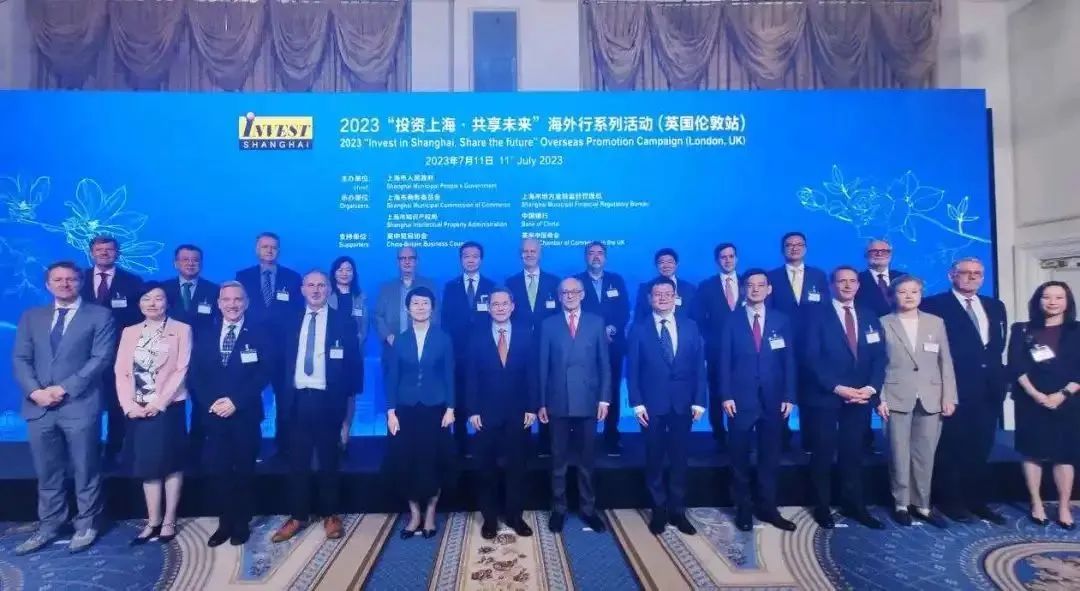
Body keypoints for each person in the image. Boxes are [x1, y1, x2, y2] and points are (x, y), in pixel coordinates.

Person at [12, 261, 115, 555]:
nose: (65, 284)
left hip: (80, 404)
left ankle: (87, 524)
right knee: (47, 471)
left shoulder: (100, 315)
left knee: (86, 468)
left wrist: (64, 388)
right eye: (58, 280)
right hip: (39, 406)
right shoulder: (31, 316)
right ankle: (49, 525)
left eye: (71, 279)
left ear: (81, 282)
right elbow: (20, 358)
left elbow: (100, 358)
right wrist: (35, 392)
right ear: (48, 285)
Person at [270, 270, 363, 543]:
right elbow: (278, 361)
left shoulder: (343, 320)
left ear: (328, 290)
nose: (315, 290)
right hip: (296, 399)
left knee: (329, 460)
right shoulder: (289, 320)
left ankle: (330, 515)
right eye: (310, 285)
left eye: (321, 285)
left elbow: (354, 365)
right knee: (297, 461)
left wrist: (348, 411)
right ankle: (298, 515)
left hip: (328, 400)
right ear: (302, 289)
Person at [921, 257, 1008, 524]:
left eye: (977, 273)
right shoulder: (934, 305)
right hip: (954, 388)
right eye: (966, 273)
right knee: (951, 447)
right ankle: (951, 502)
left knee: (981, 447)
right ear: (952, 275)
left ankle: (976, 501)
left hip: (989, 389)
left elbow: (997, 346)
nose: (971, 277)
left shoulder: (995, 306)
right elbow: (929, 350)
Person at [188, 281, 273, 547]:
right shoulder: (205, 333)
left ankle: (241, 523)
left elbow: (264, 373)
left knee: (244, 471)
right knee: (219, 471)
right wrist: (211, 403)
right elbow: (195, 374)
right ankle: (224, 522)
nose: (232, 305)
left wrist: (236, 401)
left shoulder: (260, 333)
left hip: (245, 414)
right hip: (213, 415)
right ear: (219, 303)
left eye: (237, 299)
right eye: (226, 300)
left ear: (246, 302)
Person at [801, 266, 886, 530]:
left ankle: (854, 505)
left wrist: (871, 389)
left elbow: (879, 356)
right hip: (825, 396)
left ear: (858, 285)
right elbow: (810, 358)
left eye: (852, 281)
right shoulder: (815, 315)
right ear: (832, 285)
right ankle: (822, 507)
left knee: (853, 454)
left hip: (860, 398)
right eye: (841, 281)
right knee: (823, 454)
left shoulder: (869, 315)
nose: (847, 285)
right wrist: (837, 387)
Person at [717, 269, 796, 532]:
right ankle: (743, 508)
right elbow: (724, 360)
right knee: (738, 457)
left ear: (769, 289)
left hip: (773, 398)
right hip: (740, 399)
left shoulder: (781, 320)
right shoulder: (731, 320)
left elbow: (789, 360)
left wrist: (789, 395)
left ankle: (768, 507)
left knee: (770, 457)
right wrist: (726, 394)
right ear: (743, 289)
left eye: (761, 285)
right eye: (750, 285)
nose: (755, 289)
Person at [626, 277, 706, 536]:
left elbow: (699, 367)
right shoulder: (638, 329)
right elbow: (632, 370)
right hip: (651, 406)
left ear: (675, 298)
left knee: (680, 460)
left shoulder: (690, 326)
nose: (662, 298)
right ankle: (659, 510)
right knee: (654, 459)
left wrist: (700, 400)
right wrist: (637, 404)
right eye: (657, 294)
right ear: (650, 298)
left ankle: (678, 511)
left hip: (683, 404)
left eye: (667, 294)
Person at [115, 282, 192, 545]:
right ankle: (153, 520)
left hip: (168, 408)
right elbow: (121, 371)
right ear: (139, 303)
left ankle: (169, 519)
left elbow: (181, 369)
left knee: (170, 464)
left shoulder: (181, 329)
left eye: (158, 298)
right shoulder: (130, 331)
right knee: (147, 466)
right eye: (146, 299)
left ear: (167, 302)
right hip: (138, 409)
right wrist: (129, 406)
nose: (152, 303)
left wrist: (159, 403)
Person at [876, 276, 955, 528]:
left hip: (932, 396)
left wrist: (949, 396)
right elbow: (877, 364)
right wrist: (880, 397)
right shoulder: (883, 323)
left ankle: (922, 504)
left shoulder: (936, 322)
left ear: (921, 294)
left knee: (925, 454)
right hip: (896, 395)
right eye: (903, 292)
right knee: (898, 453)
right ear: (892, 295)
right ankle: (901, 503)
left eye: (914, 291)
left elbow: (945, 361)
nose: (909, 296)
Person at [383, 287, 457, 539]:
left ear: (432, 308)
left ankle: (430, 513)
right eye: (415, 303)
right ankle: (414, 514)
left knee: (433, 461)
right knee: (407, 460)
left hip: (436, 408)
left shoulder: (443, 338)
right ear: (408, 308)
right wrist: (391, 411)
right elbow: (392, 376)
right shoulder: (400, 340)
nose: (420, 307)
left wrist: (451, 408)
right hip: (406, 409)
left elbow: (449, 374)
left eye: (425, 303)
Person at [539, 277, 611, 534]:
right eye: (565, 292)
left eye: (574, 291)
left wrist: (604, 398)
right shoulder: (548, 324)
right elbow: (542, 366)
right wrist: (541, 402)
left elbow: (604, 364)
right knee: (558, 460)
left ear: (582, 294)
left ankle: (588, 509)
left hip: (588, 401)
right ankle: (558, 509)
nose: (569, 295)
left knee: (586, 460)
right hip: (557, 400)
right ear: (559, 296)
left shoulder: (596, 322)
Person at [465, 288, 537, 539]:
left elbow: (533, 373)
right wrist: (472, 410)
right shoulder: (476, 336)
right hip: (485, 413)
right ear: (489, 308)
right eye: (495, 304)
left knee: (517, 468)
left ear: (512, 306)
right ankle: (490, 519)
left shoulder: (526, 334)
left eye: (504, 303)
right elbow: (471, 376)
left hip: (519, 412)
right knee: (487, 469)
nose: (500, 308)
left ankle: (515, 516)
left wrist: (532, 407)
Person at [1007, 281, 1080, 529]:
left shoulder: (1077, 330)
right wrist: (1036, 395)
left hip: (1068, 400)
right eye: (1047, 297)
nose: (1052, 302)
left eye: (1059, 297)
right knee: (1033, 452)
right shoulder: (1022, 329)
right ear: (1038, 301)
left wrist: (1063, 394)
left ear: (1067, 302)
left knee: (1064, 455)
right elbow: (1016, 365)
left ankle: (1063, 506)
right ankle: (1036, 502)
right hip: (1030, 400)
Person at [235, 232, 303, 456]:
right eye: (265, 247)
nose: (269, 250)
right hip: (251, 349)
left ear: (279, 250)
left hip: (284, 351)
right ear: (257, 250)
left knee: (285, 401)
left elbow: (298, 314)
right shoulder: (243, 277)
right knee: (249, 398)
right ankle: (249, 447)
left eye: (273, 247)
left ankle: (284, 448)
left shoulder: (292, 278)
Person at [79, 236, 144, 464]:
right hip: (83, 354)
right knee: (87, 404)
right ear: (91, 253)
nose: (104, 253)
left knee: (118, 403)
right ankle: (87, 451)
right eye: (100, 249)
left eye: (109, 249)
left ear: (117, 253)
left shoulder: (133, 281)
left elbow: (139, 319)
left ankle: (115, 451)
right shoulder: (78, 279)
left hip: (120, 353)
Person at [768, 232, 827, 452]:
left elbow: (825, 310)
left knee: (810, 394)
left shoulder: (818, 275)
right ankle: (781, 439)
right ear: (782, 249)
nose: (794, 248)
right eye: (789, 245)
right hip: (781, 344)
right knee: (780, 391)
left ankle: (809, 440)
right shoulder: (772, 276)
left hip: (812, 344)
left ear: (806, 248)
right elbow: (768, 312)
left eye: (799, 244)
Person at [162, 244, 219, 462]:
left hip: (201, 358)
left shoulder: (214, 290)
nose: (190, 263)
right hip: (169, 357)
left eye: (195, 260)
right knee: (170, 402)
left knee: (201, 403)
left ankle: (196, 451)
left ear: (201, 264)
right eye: (185, 259)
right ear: (175, 263)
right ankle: (171, 448)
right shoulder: (163, 289)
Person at [575, 241, 630, 457]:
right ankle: (583, 436)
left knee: (612, 389)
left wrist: (612, 328)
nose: (596, 256)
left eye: (600, 253)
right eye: (591, 253)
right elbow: (572, 310)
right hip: (585, 346)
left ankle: (611, 435)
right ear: (585, 257)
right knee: (584, 389)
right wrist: (596, 332)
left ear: (605, 257)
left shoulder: (616, 280)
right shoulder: (576, 281)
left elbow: (624, 310)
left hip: (613, 344)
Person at [441, 241, 495, 455]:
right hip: (458, 354)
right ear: (460, 260)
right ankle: (461, 444)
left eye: (475, 256)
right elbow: (445, 321)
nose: (470, 260)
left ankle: (485, 444)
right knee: (460, 399)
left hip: (485, 352)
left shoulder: (491, 286)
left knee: (485, 396)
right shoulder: (450, 287)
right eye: (466, 256)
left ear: (481, 259)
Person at [692, 242, 742, 451]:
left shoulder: (749, 283)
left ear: (736, 258)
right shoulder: (706, 286)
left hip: (746, 351)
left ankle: (740, 434)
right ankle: (719, 435)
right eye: (723, 257)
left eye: (731, 256)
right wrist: (710, 340)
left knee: (742, 391)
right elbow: (698, 318)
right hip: (716, 350)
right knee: (716, 392)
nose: (728, 260)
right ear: (716, 261)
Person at [328, 255, 369, 453]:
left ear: (354, 273)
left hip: (353, 353)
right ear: (334, 272)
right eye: (340, 269)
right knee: (332, 393)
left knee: (350, 395)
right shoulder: (326, 294)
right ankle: (332, 433)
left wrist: (356, 343)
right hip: (330, 354)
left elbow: (364, 328)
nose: (344, 273)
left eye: (348, 269)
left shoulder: (360, 297)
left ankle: (345, 434)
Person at [373, 246, 438, 372]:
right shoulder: (386, 288)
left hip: (422, 348)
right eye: (403, 258)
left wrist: (424, 338)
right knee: (392, 383)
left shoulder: (429, 286)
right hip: (393, 348)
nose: (407, 262)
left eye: (411, 258)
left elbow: (435, 314)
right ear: (397, 262)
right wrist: (388, 336)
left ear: (417, 261)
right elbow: (377, 316)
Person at [505, 238, 561, 334]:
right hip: (519, 336)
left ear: (540, 254)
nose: (529, 255)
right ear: (520, 255)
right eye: (525, 251)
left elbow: (559, 313)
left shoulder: (554, 282)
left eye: (533, 251)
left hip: (547, 336)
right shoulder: (510, 283)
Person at [634, 248, 695, 320]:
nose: (666, 266)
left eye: (670, 262)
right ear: (656, 265)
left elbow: (694, 316)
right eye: (661, 262)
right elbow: (639, 317)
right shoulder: (645, 288)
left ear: (677, 264)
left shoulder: (690, 288)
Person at [855, 239, 906, 319]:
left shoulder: (903, 278)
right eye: (874, 251)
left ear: (891, 255)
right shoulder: (856, 280)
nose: (879, 254)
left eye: (884, 251)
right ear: (866, 255)